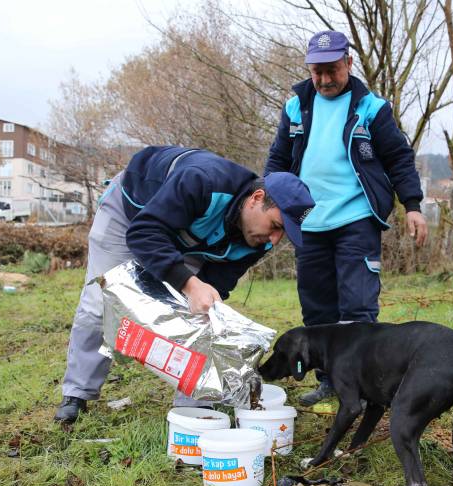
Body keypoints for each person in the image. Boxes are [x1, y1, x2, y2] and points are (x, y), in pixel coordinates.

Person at [55, 145, 314, 424]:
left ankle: (192, 408)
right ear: (256, 198)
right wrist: (189, 284)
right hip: (132, 213)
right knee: (100, 303)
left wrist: (199, 296)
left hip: (188, 238)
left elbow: (215, 286)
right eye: (276, 225)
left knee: (200, 316)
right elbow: (143, 234)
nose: (275, 240)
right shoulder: (203, 180)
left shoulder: (257, 239)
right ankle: (77, 394)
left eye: (284, 233)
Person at [265, 30, 428, 406]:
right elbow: (276, 161)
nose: (323, 80)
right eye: (316, 72)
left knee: (357, 308)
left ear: (349, 64)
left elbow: (399, 159)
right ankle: (329, 382)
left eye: (331, 70)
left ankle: (367, 386)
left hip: (356, 218)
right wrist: (271, 201)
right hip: (309, 224)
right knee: (317, 310)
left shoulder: (371, 108)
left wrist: (413, 205)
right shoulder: (295, 107)